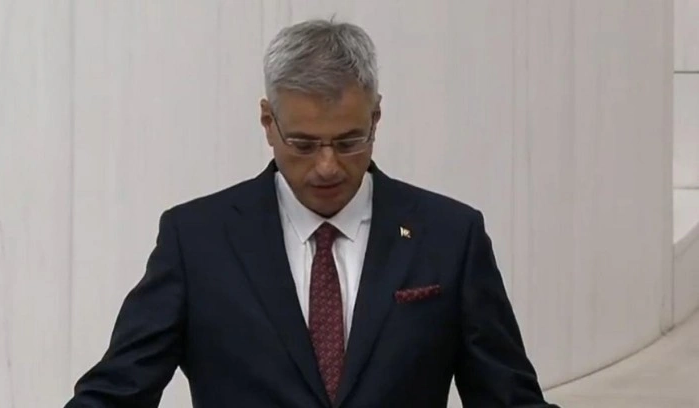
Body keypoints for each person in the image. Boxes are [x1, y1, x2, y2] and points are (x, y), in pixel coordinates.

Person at [65, 18, 559, 408]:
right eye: (303, 144)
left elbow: (508, 398)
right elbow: (117, 393)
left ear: (376, 118)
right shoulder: (196, 241)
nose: (327, 166)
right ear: (268, 122)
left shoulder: (450, 237)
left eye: (349, 142)